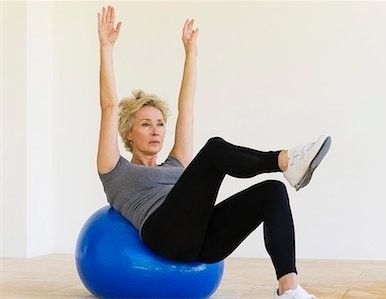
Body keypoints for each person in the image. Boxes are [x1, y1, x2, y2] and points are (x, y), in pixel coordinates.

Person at [97, 6, 331, 299]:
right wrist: (106, 48)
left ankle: (289, 288)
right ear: (128, 132)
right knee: (214, 149)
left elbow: (187, 109)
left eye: (159, 123)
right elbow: (108, 106)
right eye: (145, 124)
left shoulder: (175, 162)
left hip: (202, 242)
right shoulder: (115, 170)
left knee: (272, 191)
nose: (156, 130)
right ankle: (285, 160)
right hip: (165, 237)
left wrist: (190, 54)